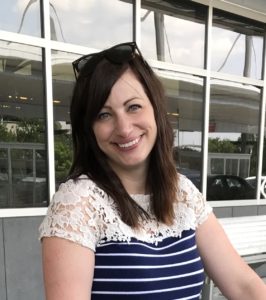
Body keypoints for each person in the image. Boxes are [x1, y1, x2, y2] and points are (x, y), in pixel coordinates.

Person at [39, 42, 266, 300]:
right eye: (104, 114)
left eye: (133, 106)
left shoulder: (182, 192)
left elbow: (243, 285)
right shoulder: (78, 203)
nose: (124, 128)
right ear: (89, 128)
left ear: (156, 109)